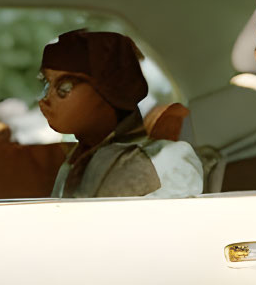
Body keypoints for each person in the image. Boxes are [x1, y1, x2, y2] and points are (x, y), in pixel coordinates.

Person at [38, 29, 206, 199]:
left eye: (64, 87)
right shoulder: (77, 160)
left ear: (109, 89)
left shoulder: (158, 162)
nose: (45, 99)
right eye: (45, 83)